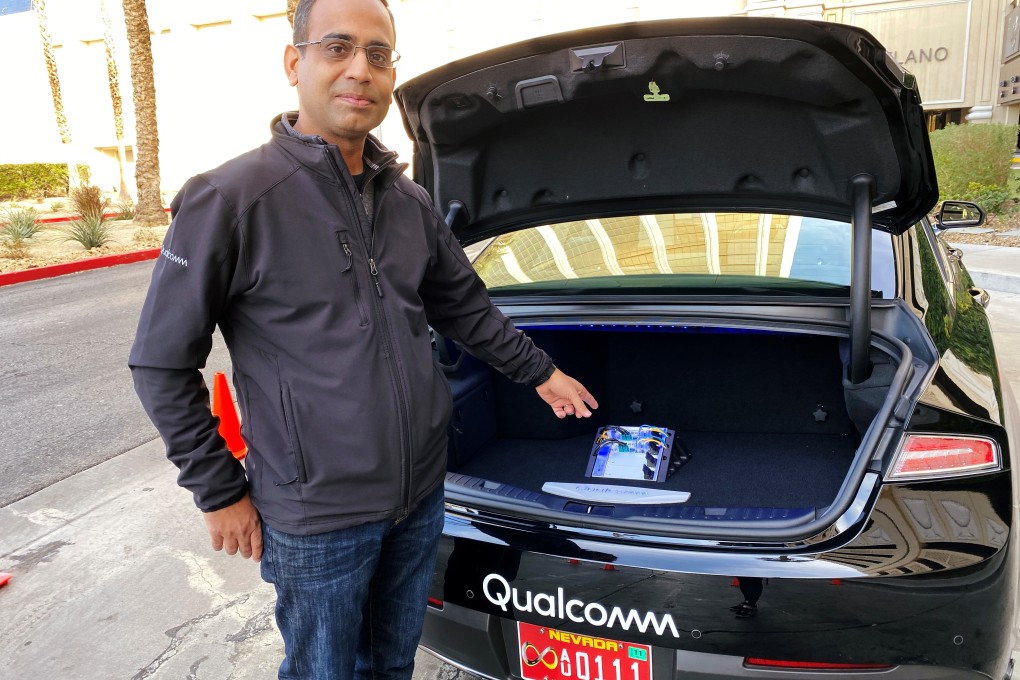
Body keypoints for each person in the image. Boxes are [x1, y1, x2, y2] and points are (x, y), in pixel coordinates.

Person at [128, 0, 598, 678]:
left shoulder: (409, 203)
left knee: (392, 665)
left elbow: (465, 309)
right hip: (317, 516)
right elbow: (160, 363)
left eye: (378, 55)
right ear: (294, 63)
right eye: (337, 48)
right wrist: (219, 490)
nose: (359, 70)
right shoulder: (229, 199)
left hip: (419, 497)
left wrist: (541, 373)